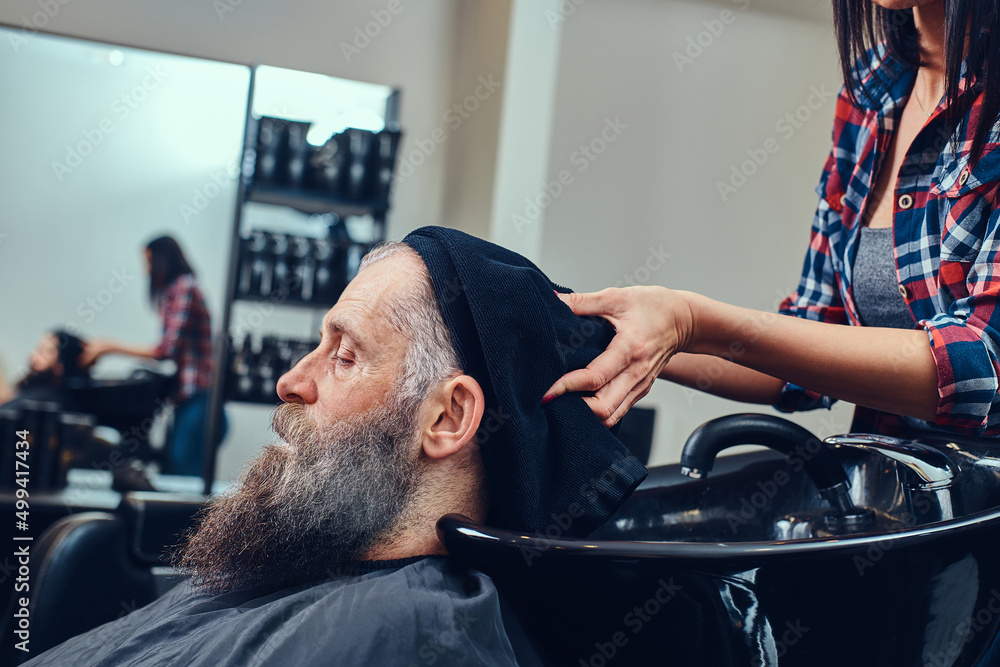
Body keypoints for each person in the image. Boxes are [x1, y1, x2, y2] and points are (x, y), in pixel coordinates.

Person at [23, 227, 646, 666]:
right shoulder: (297, 564)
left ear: (448, 418)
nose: (290, 381)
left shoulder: (409, 637)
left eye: (344, 356)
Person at [545, 1, 1000, 440]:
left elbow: (982, 366)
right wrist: (616, 332)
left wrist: (692, 321)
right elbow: (816, 337)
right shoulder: (872, 89)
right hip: (898, 500)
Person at [80, 235, 224, 475]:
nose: (145, 271)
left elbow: (166, 350)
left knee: (183, 476)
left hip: (201, 400)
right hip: (189, 400)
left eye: (147, 262)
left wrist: (110, 347)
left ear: (162, 259)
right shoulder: (174, 292)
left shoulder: (185, 287)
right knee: (176, 470)